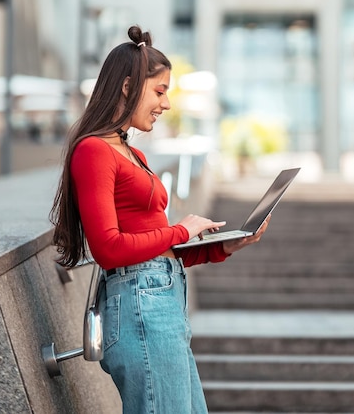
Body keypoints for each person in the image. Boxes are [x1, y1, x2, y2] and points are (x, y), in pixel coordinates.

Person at [50, 25, 269, 414]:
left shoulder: (134, 155)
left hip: (158, 301)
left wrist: (218, 248)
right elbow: (108, 249)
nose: (165, 104)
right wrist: (181, 229)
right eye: (160, 91)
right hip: (140, 306)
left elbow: (156, 247)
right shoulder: (94, 152)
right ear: (127, 86)